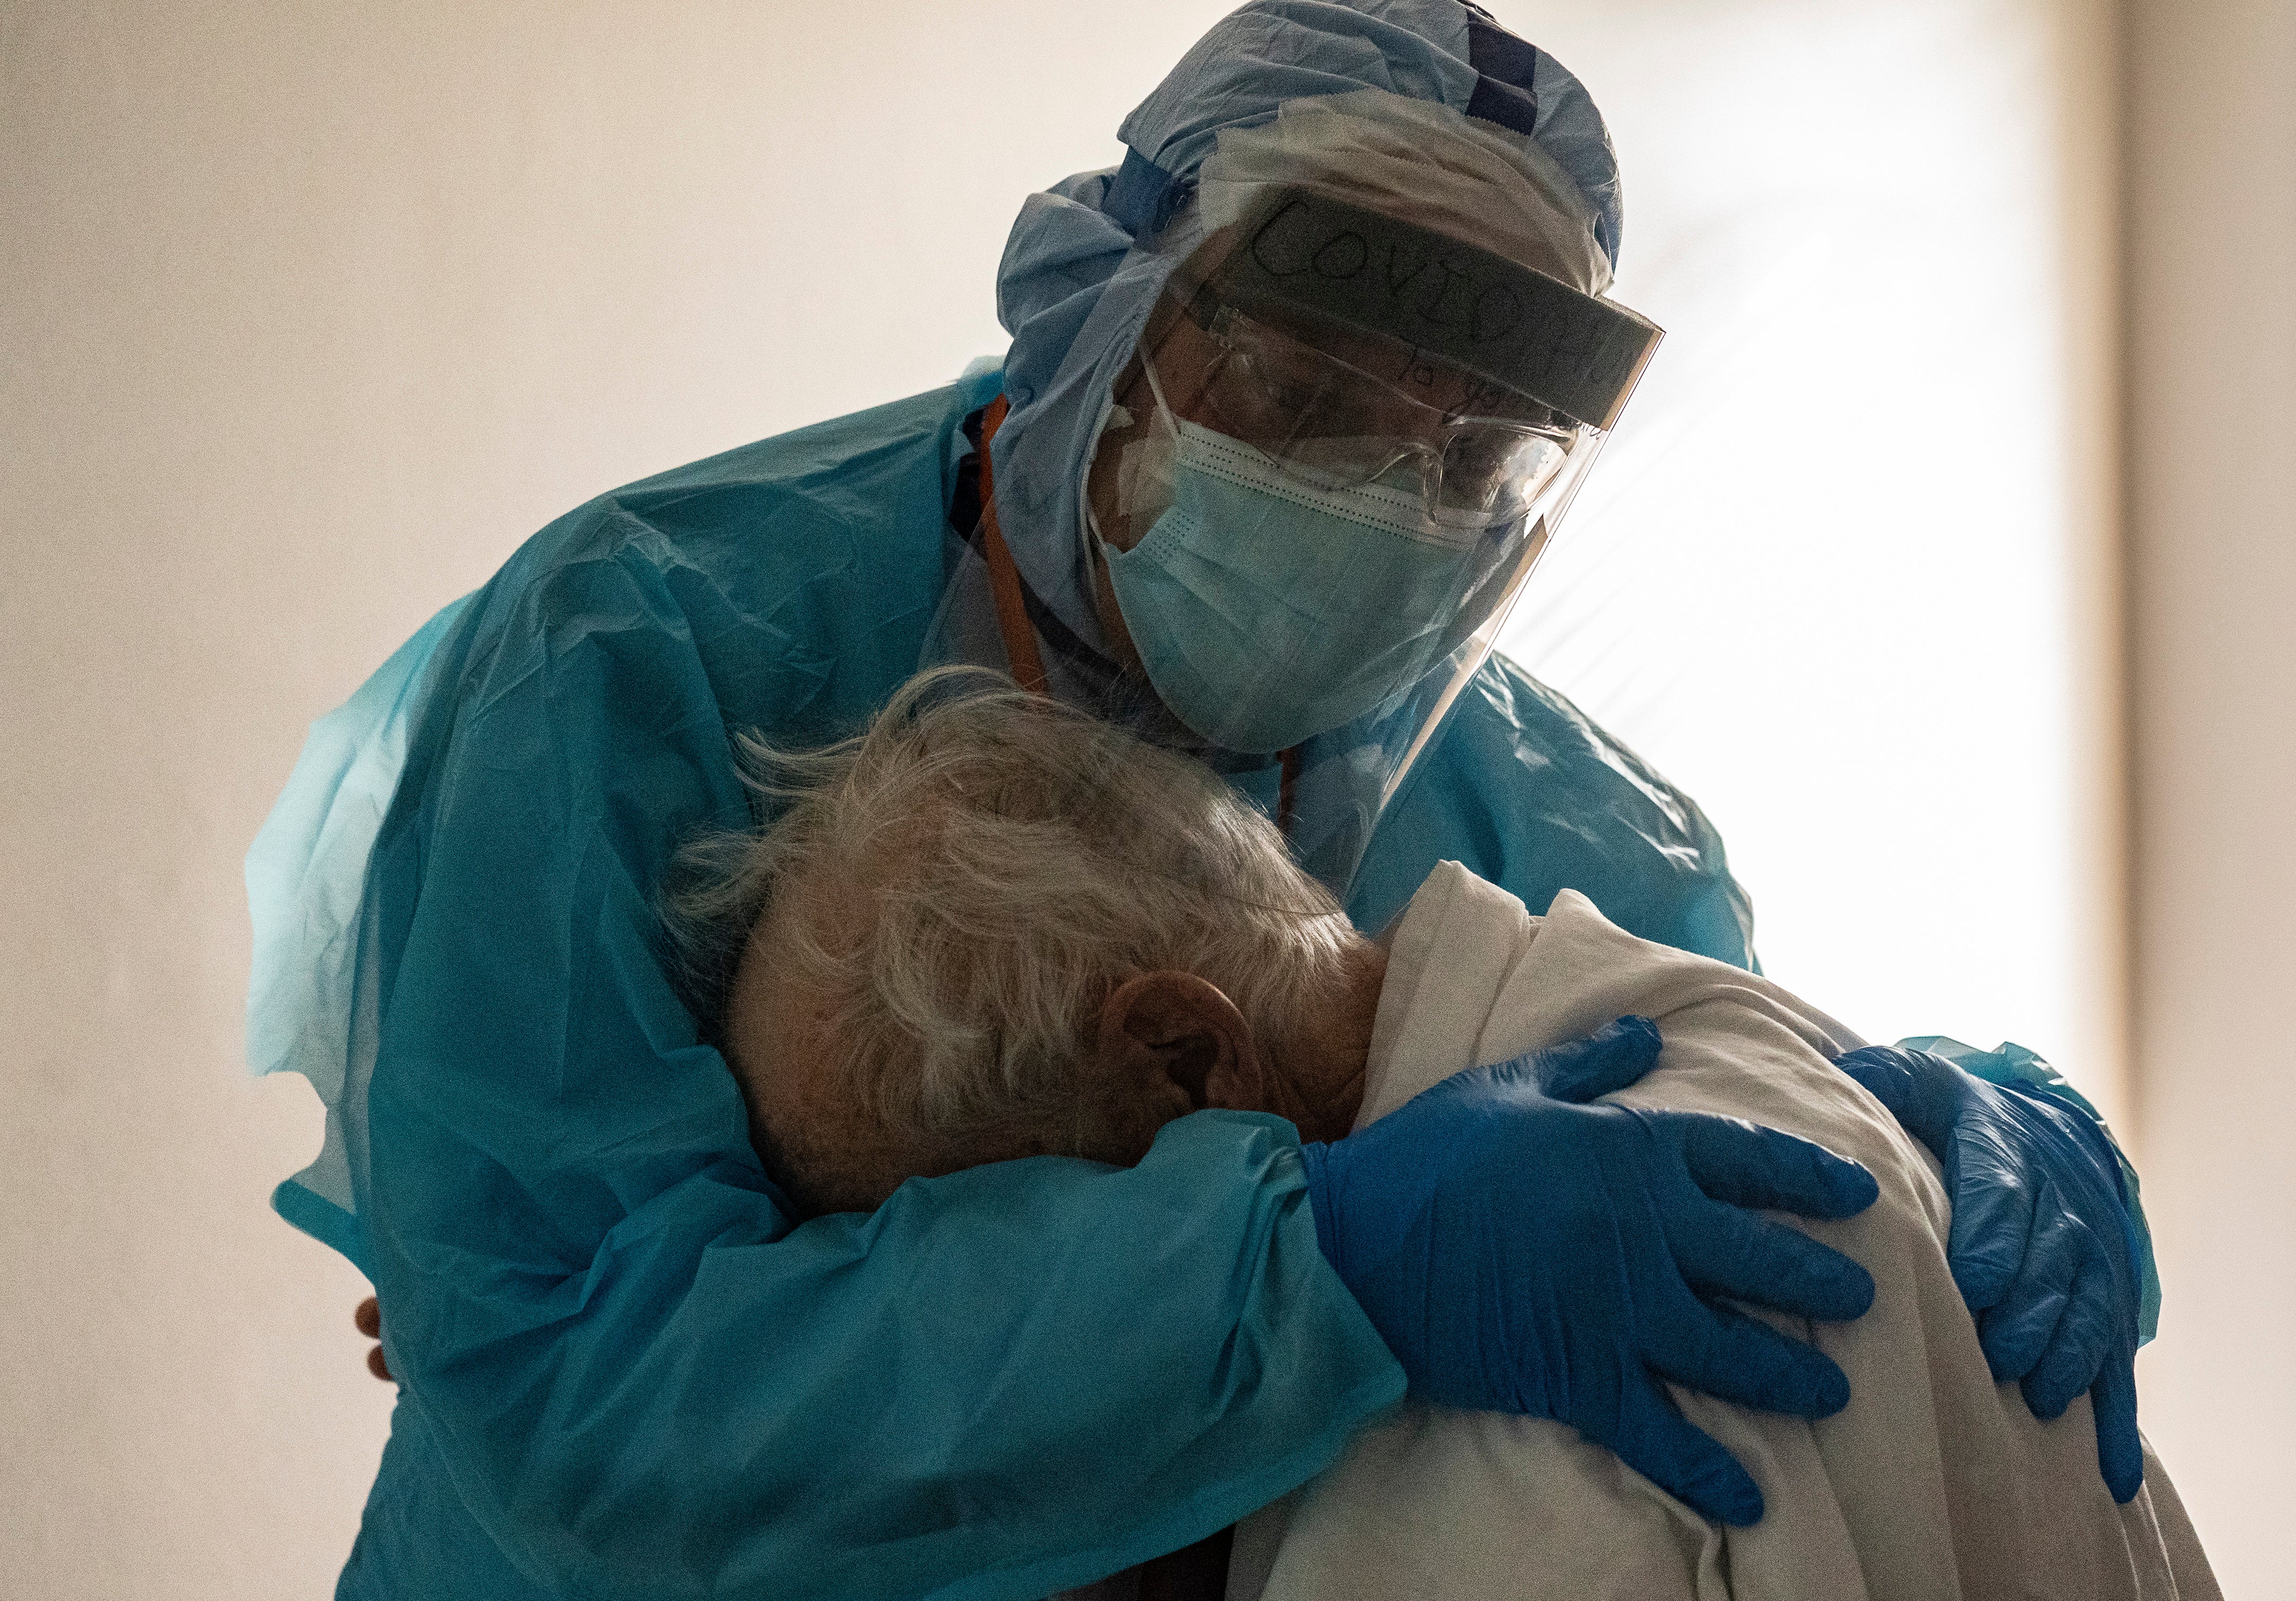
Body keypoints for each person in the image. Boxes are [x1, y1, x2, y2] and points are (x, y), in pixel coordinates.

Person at [254, 5, 2156, 1597]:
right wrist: (1302, 1265)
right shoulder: (645, 649)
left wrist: (1915, 1132)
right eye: (1307, 393)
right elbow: (569, 1379)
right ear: (1098, 307)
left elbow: (1704, 1194)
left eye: (1478, 452)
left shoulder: (1576, 828)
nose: (1385, 497)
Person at [672, 667, 2214, 1601]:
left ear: (1187, 1057)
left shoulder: (1518, 1434)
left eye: (1002, 1243)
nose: (1040, 1359)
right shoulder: (1724, 1045)